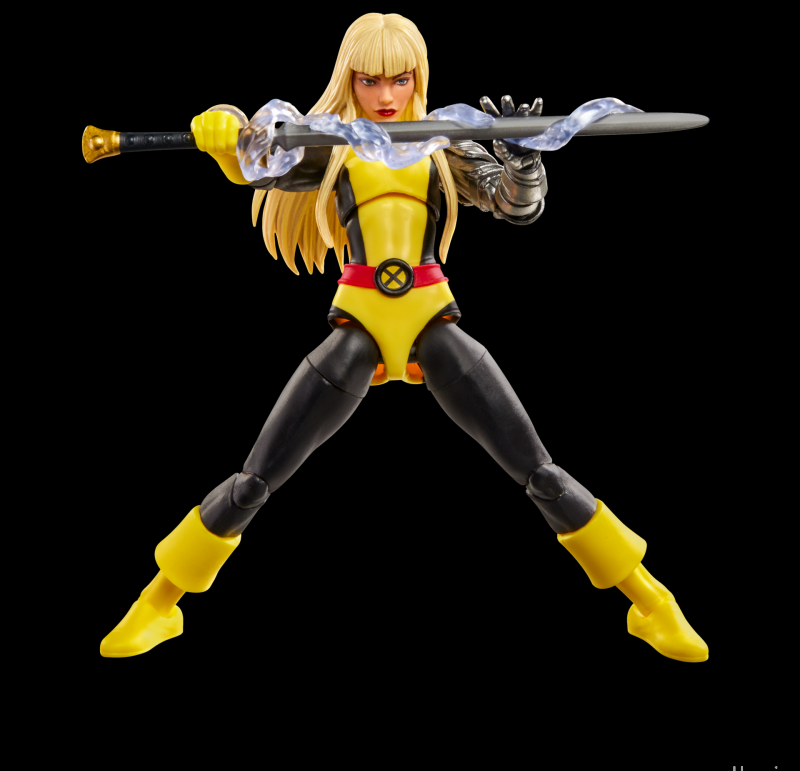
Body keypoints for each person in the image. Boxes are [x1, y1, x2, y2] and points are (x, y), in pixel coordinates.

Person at [100, 12, 708, 662]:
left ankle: (651, 602)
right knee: (255, 479)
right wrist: (222, 132)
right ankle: (158, 604)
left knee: (540, 473)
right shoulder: (331, 146)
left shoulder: (445, 145)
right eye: (369, 81)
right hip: (359, 322)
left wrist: (523, 161)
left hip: (431, 318)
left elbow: (516, 207)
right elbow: (258, 163)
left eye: (400, 79)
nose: (385, 96)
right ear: (349, 81)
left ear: (419, 77)